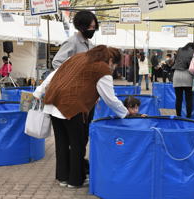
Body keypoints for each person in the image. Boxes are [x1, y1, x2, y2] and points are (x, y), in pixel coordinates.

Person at [33, 45, 128, 188]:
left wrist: (38, 91)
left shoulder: (77, 57)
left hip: (53, 104)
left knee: (62, 143)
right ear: (110, 59)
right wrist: (125, 113)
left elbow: (54, 74)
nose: (113, 67)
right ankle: (75, 180)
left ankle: (62, 177)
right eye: (114, 64)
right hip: (72, 108)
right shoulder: (102, 68)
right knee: (78, 144)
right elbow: (110, 98)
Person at [51, 10, 98, 175]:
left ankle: (76, 168)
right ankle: (73, 172)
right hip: (74, 99)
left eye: (95, 26)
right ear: (83, 26)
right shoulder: (72, 42)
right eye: (91, 26)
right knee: (75, 139)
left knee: (83, 137)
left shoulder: (89, 45)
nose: (93, 29)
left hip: (87, 99)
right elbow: (56, 61)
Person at [172, 42, 194, 118]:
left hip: (176, 75)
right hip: (188, 75)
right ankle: (188, 117)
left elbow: (174, 61)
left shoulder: (179, 50)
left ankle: (178, 116)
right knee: (188, 99)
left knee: (178, 98)